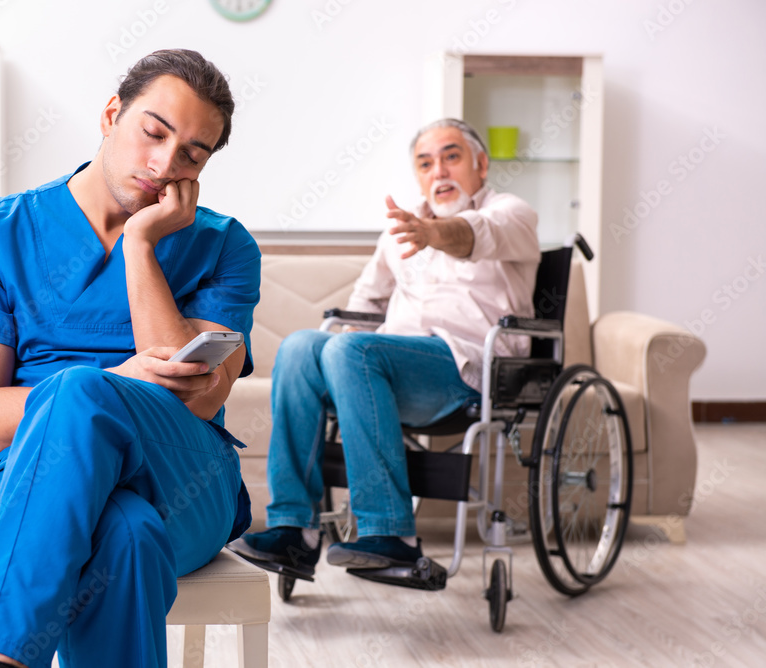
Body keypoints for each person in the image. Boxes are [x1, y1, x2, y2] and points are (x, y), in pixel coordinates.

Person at [0, 50, 260, 668]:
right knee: (125, 533)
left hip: (182, 478)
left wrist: (140, 245)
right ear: (111, 114)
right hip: (34, 480)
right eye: (153, 132)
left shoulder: (224, 245)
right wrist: (112, 381)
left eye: (192, 154)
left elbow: (198, 398)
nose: (163, 164)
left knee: (79, 389)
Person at [230, 118, 539, 576]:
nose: (439, 172)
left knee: (351, 352)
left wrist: (432, 234)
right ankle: (295, 530)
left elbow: (476, 234)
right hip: (385, 369)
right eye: (426, 163)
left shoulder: (512, 213)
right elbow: (365, 301)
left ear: (481, 163)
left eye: (451, 157)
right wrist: (336, 362)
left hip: (466, 368)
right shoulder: (402, 228)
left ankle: (391, 532)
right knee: (300, 347)